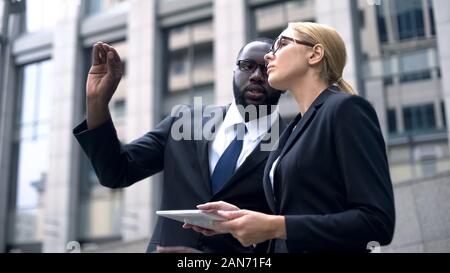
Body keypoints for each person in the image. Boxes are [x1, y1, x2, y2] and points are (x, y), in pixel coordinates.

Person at [189, 22, 396, 252]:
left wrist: (275, 226)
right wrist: (240, 219)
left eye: (282, 44)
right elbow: (299, 213)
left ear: (315, 54)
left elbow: (377, 222)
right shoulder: (292, 130)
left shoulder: (346, 109)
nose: (269, 56)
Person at [73, 38, 286, 253]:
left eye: (267, 68)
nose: (257, 76)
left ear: (283, 80)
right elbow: (115, 172)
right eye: (247, 66)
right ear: (234, 72)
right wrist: (96, 102)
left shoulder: (292, 143)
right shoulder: (183, 123)